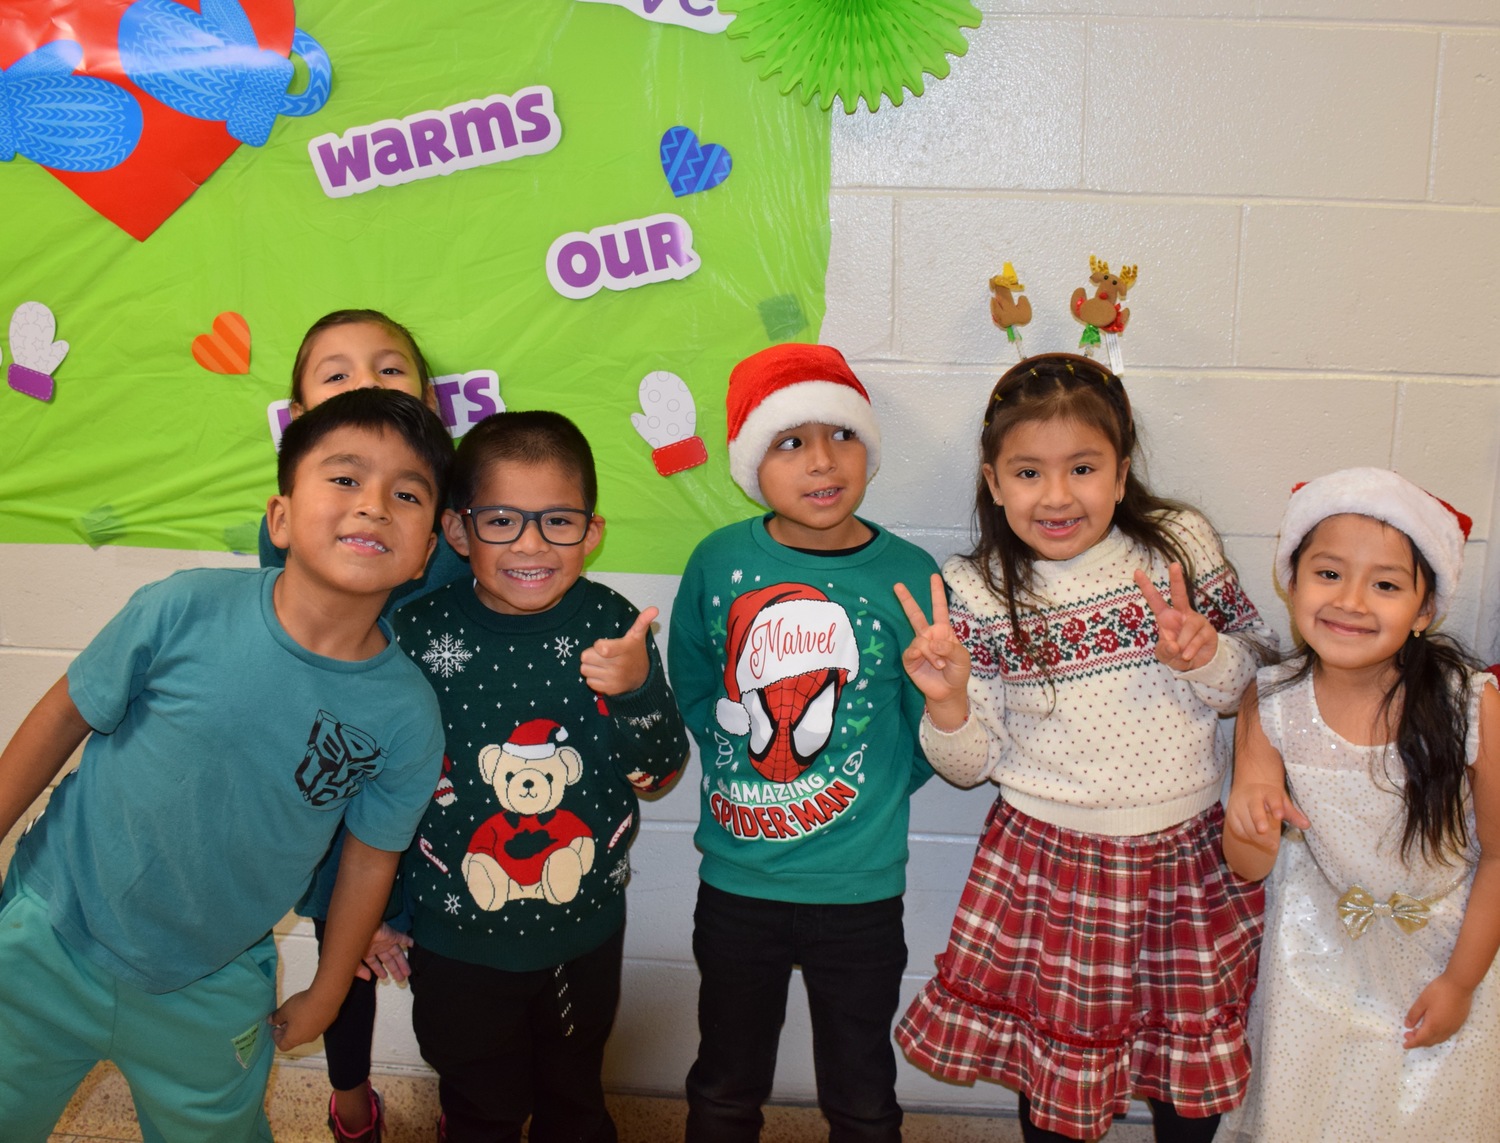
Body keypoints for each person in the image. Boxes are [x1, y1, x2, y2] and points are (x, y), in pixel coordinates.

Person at [0, 388, 453, 1143]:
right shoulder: (182, 606)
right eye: (344, 478)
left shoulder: (407, 712)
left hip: (210, 990)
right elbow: (59, 717)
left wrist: (330, 987)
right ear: (279, 518)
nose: (374, 504)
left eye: (406, 493)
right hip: (47, 937)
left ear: (425, 554)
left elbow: (371, 861)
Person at [893, 353, 1274, 1142]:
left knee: (1187, 1071)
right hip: (1049, 865)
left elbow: (1257, 669)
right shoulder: (973, 588)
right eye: (1029, 471)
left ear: (1123, 471)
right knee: (1058, 1078)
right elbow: (968, 766)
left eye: (1084, 468)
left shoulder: (1178, 544)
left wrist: (1206, 654)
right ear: (994, 482)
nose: (1057, 495)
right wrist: (951, 701)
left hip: (1186, 856)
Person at [391, 410, 689, 1143]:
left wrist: (637, 688)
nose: (530, 543)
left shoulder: (615, 625)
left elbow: (659, 772)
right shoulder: (415, 632)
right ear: (459, 532)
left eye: (558, 520)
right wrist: (382, 911)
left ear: (592, 531)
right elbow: (379, 787)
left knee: (575, 1103)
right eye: (501, 520)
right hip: (453, 938)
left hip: (581, 933)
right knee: (479, 1107)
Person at [669, 342, 940, 1142]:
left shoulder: (911, 573)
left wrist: (884, 777)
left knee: (862, 1093)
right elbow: (692, 676)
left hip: (858, 894)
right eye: (791, 441)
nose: (822, 461)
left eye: (842, 435)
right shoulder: (720, 561)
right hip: (738, 883)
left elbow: (937, 721)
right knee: (724, 1084)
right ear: (754, 462)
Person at [1219, 467, 1500, 1142]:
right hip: (1316, 952)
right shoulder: (1272, 700)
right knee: (1315, 1111)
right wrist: (1249, 819)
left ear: (1424, 609)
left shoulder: (1470, 702)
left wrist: (1461, 982)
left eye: (1385, 584)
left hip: (1446, 945)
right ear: (1292, 581)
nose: (1350, 601)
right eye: (1328, 573)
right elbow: (1250, 865)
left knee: (1428, 1106)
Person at [260, 309, 470, 1142]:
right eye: (336, 374)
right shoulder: (298, 529)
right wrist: (360, 909)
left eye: (391, 369)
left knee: (458, 976)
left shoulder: (448, 525)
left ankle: (468, 1094)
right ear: (301, 410)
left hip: (455, 796)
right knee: (343, 956)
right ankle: (351, 1103)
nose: (368, 386)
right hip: (346, 793)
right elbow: (294, 687)